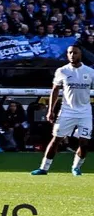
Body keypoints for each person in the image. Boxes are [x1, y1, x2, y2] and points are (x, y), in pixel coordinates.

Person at [34, 44, 94, 176]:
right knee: (56, 139)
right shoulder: (62, 71)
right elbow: (54, 91)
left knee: (84, 142)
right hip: (67, 111)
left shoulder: (90, 72)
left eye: (75, 53)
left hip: (85, 113)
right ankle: (44, 168)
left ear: (80, 54)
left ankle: (76, 167)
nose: (72, 55)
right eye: (70, 53)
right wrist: (50, 110)